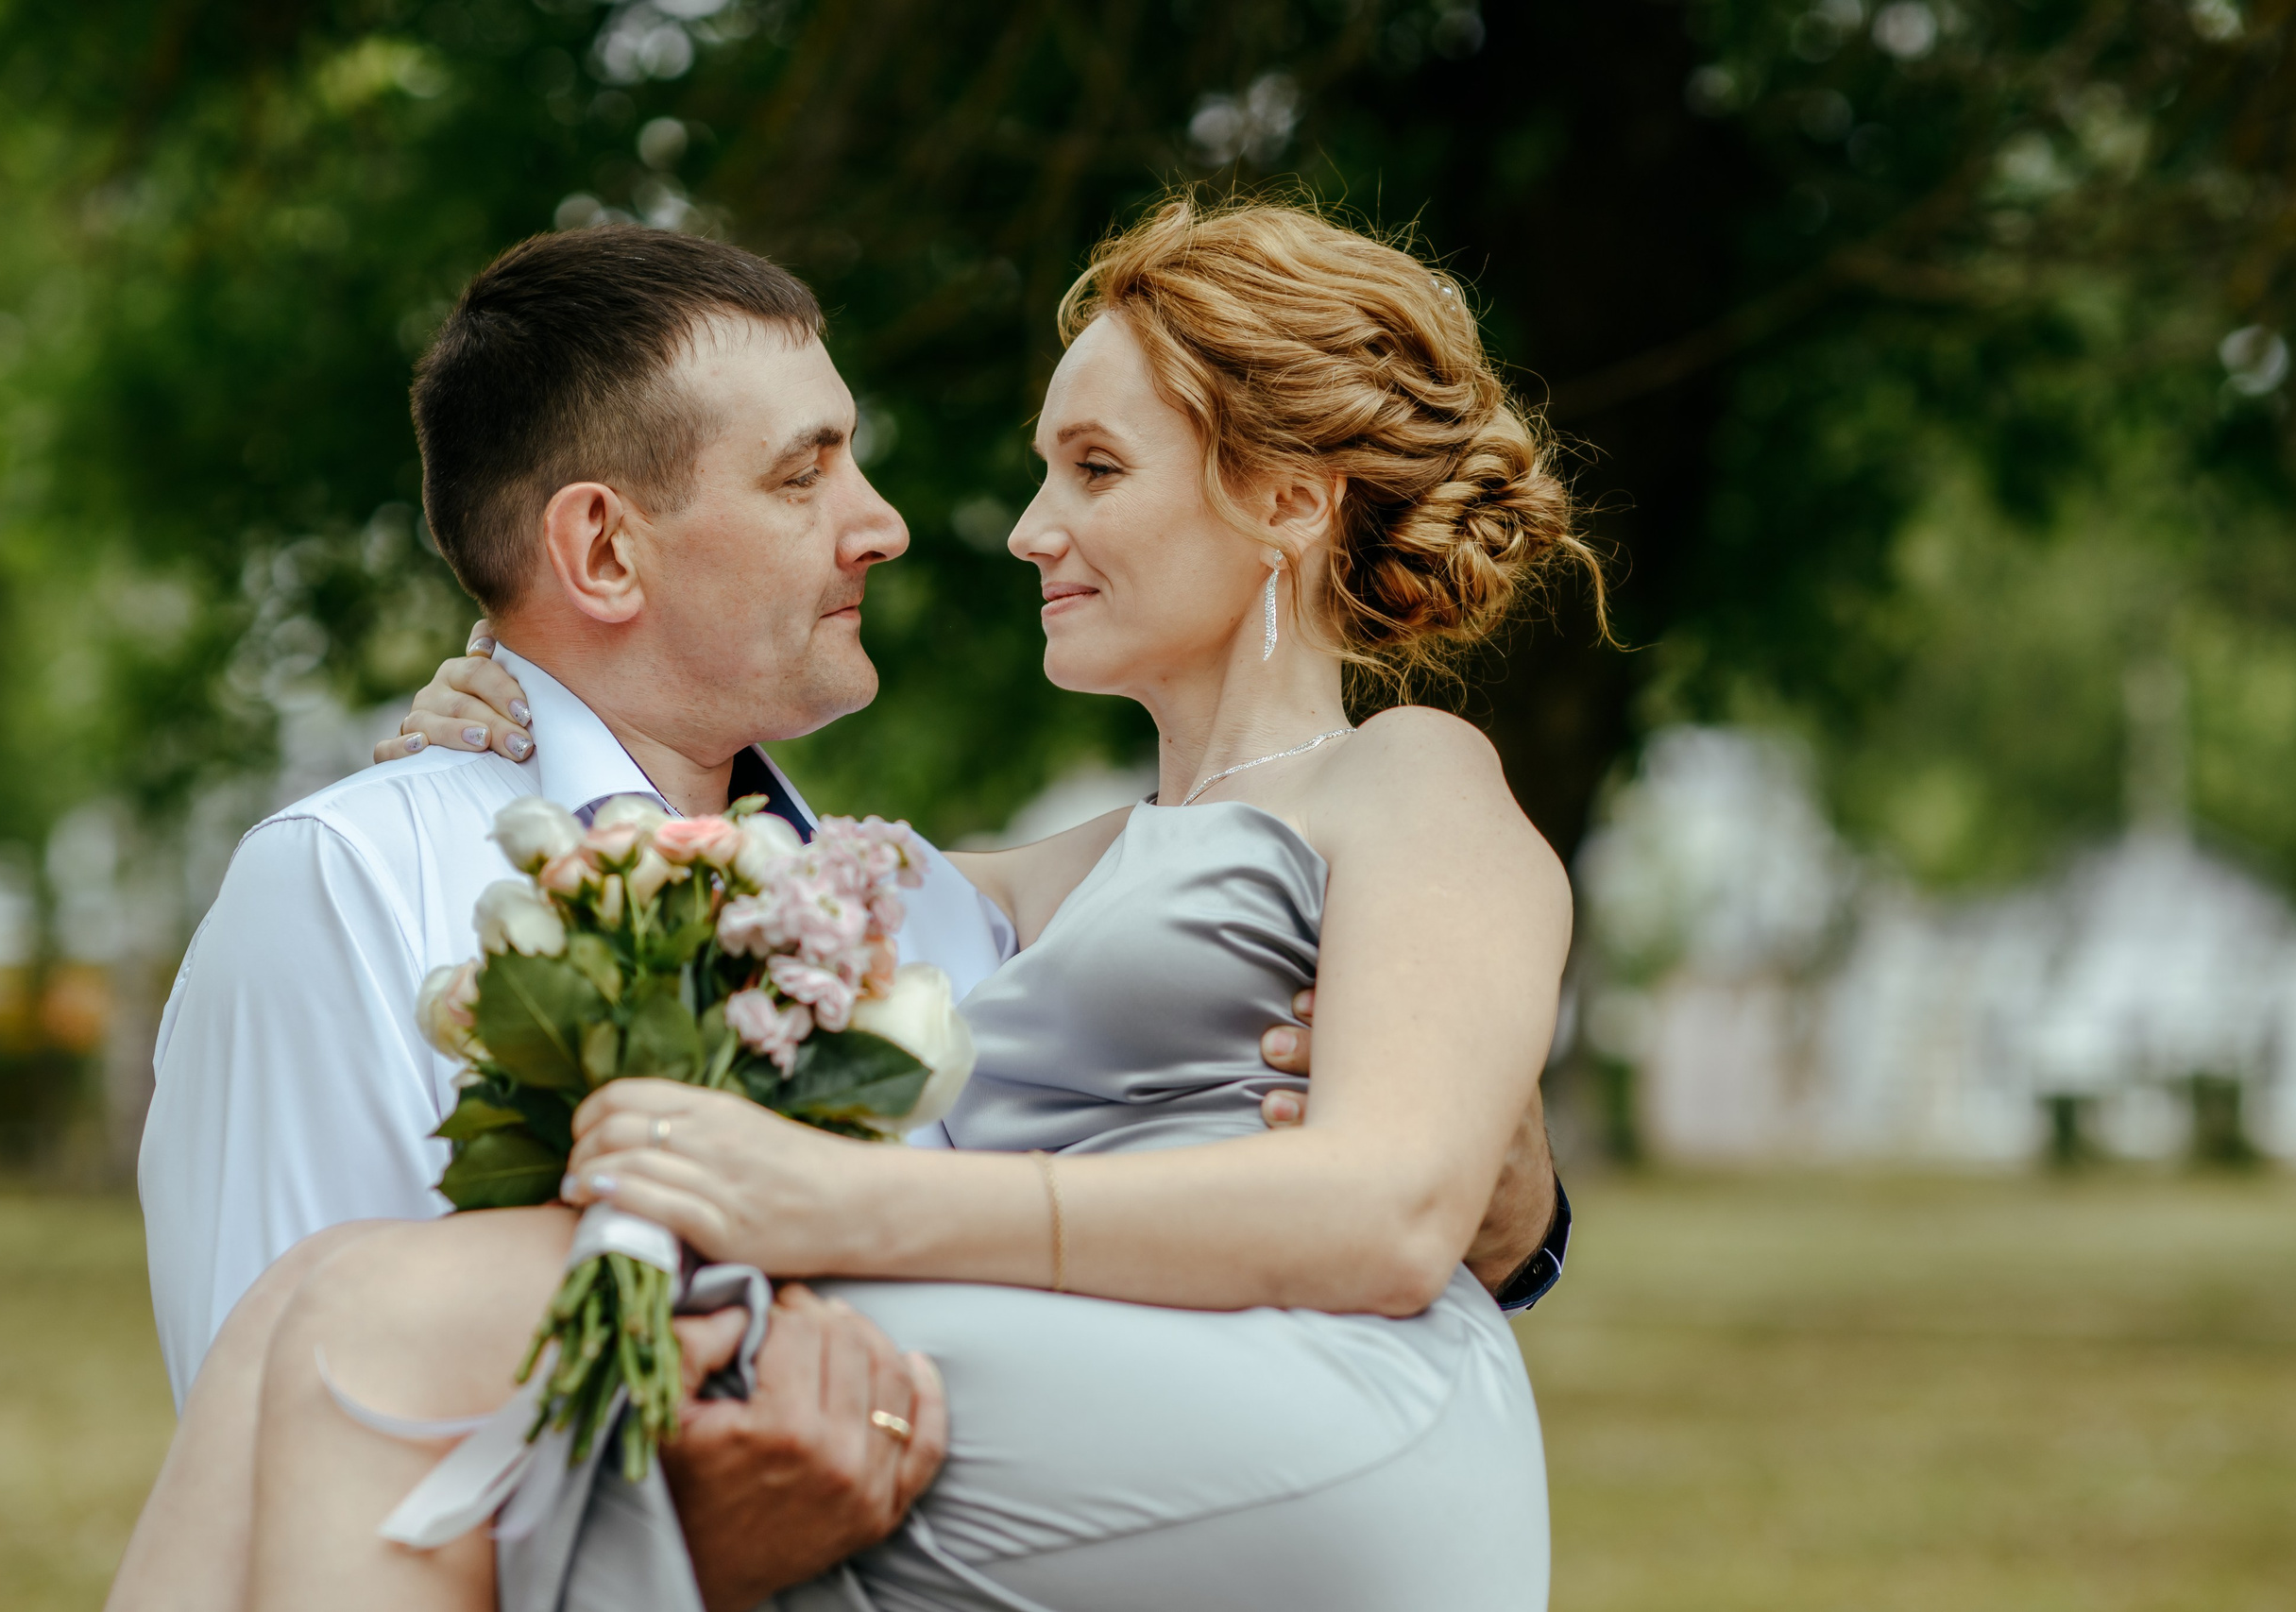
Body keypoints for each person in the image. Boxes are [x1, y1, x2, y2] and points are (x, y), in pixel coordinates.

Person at [115, 214, 1571, 1611]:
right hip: (1064, 1448)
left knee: (364, 1321)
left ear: (1288, 498)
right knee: (299, 1325)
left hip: (1307, 1417)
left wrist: (1520, 1196)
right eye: (807, 474)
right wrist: (508, 734)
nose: (990, 531)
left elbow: (1416, 1198)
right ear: (603, 552)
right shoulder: (953, 891)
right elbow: (699, 867)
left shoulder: (1400, 778)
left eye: (1095, 468)